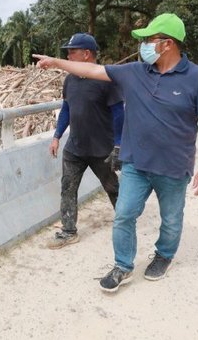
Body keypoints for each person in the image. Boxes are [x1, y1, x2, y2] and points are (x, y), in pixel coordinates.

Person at [33, 13, 198, 293]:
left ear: (167, 44)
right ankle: (123, 264)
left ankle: (163, 255)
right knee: (123, 213)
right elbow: (92, 71)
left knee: (170, 219)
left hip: (173, 166)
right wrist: (56, 62)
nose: (143, 45)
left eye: (148, 40)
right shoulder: (135, 72)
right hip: (136, 163)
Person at [46, 33, 124, 249]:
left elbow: (118, 113)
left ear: (87, 54)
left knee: (112, 187)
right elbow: (67, 108)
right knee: (68, 188)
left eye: (72, 52)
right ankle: (69, 231)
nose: (68, 56)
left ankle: (126, 221)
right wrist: (57, 136)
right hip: (75, 148)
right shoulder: (70, 80)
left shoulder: (106, 79)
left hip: (102, 148)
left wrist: (118, 144)